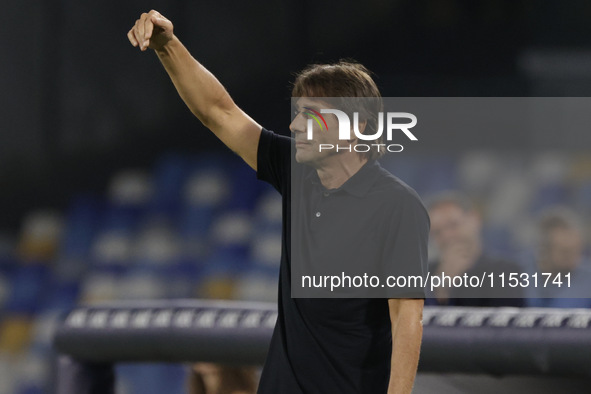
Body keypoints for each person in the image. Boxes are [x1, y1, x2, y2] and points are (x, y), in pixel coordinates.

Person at [128, 10, 429, 394]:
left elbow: (406, 316)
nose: (294, 125)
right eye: (297, 113)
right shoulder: (297, 172)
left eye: (312, 115)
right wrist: (167, 46)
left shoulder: (396, 205)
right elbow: (218, 112)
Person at [425, 191, 524, 307]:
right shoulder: (424, 275)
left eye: (453, 225)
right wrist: (440, 288)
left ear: (475, 219)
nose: (446, 236)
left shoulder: (506, 271)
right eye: (437, 232)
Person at [525, 206, 591, 308]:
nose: (574, 259)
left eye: (577, 251)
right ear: (543, 250)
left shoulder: (587, 281)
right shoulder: (518, 274)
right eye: (565, 251)